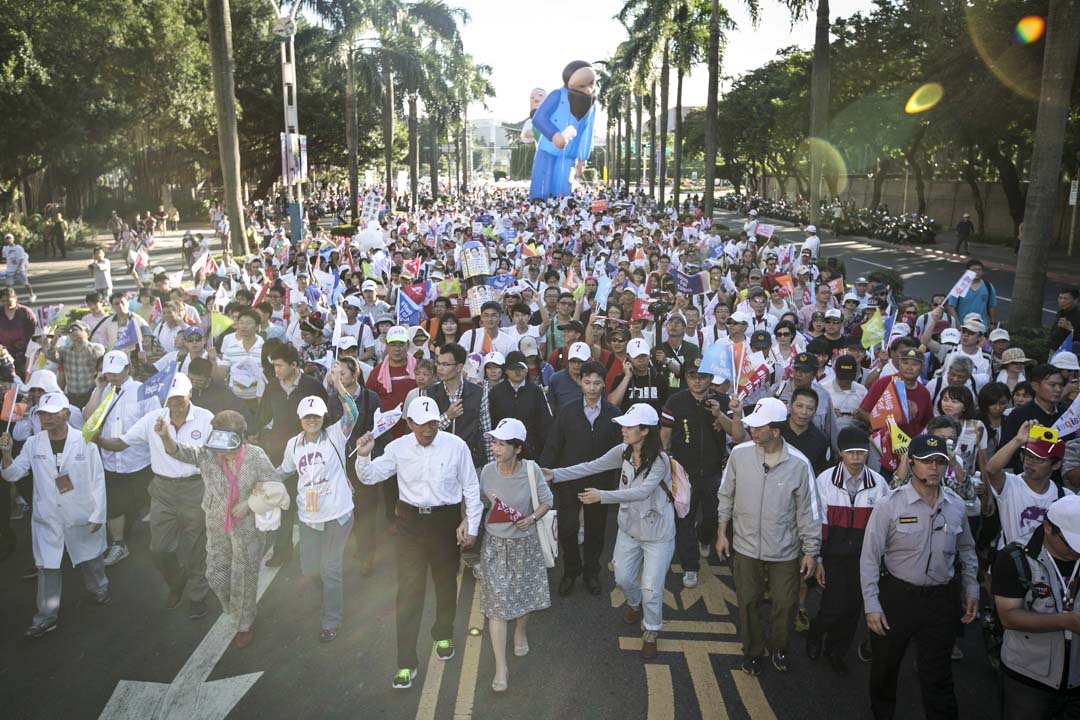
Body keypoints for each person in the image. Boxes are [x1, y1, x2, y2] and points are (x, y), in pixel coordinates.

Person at [354, 397, 483, 690]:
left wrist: (470, 524)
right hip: (410, 524)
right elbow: (371, 476)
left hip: (445, 522)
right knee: (409, 592)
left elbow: (471, 488)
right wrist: (363, 455)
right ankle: (406, 662)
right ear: (409, 424)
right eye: (422, 425)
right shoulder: (397, 448)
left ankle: (443, 632)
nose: (428, 430)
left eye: (434, 423)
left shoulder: (456, 446)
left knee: (446, 583)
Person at [543, 403, 676, 659]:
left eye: (629, 426)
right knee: (623, 579)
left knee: (651, 588)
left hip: (657, 533)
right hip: (629, 529)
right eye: (623, 425)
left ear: (645, 431)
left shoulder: (660, 461)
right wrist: (555, 474)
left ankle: (650, 630)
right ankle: (635, 604)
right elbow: (591, 466)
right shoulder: (623, 451)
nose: (623, 430)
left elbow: (641, 492)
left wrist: (601, 496)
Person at [860, 434, 979, 720]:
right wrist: (872, 604)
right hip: (897, 597)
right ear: (910, 463)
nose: (934, 468)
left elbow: (967, 550)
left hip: (940, 599)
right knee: (885, 668)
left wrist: (972, 587)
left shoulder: (956, 506)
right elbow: (869, 558)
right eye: (926, 461)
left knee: (938, 674)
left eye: (940, 462)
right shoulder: (889, 505)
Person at [97, 373, 215, 619]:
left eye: (180, 397)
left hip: (195, 488)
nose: (175, 403)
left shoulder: (206, 419)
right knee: (159, 549)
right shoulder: (154, 418)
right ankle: (176, 579)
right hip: (163, 490)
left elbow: (214, 456)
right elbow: (122, 442)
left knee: (196, 548)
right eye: (170, 398)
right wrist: (97, 439)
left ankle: (197, 595)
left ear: (190, 394)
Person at [716, 397, 820, 676]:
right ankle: (752, 651)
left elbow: (808, 511)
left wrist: (811, 551)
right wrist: (721, 532)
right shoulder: (739, 454)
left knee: (785, 604)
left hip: (784, 550)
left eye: (758, 427)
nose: (752, 431)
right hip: (745, 546)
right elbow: (726, 493)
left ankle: (779, 647)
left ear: (775, 431)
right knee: (748, 601)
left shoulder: (799, 464)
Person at [156, 409, 277, 648]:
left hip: (248, 529)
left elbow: (274, 487)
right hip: (216, 525)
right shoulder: (209, 454)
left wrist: (250, 504)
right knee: (216, 577)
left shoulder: (256, 456)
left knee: (244, 577)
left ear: (242, 436)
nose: (226, 452)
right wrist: (165, 436)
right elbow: (181, 451)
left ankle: (244, 623)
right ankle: (238, 607)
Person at [1, 391, 109, 637]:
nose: (46, 419)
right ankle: (45, 617)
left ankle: (100, 588)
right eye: (42, 414)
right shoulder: (33, 443)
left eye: (51, 414)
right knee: (48, 567)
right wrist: (6, 455)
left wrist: (98, 515)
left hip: (80, 514)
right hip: (47, 518)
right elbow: (13, 474)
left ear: (66, 414)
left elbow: (98, 480)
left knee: (91, 559)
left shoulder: (84, 441)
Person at [278, 378, 358, 643]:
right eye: (307, 416)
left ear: (324, 417)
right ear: (300, 418)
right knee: (309, 569)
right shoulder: (293, 445)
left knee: (330, 567)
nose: (312, 420)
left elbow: (353, 413)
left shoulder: (336, 434)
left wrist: (338, 385)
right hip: (309, 517)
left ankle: (331, 619)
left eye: (317, 416)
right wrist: (260, 481)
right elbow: (285, 471)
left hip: (338, 514)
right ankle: (328, 593)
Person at [806, 427, 890, 675]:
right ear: (840, 452)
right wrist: (818, 558)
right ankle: (816, 633)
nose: (856, 457)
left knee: (853, 609)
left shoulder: (878, 483)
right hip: (833, 555)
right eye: (851, 452)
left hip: (865, 558)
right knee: (833, 606)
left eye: (861, 452)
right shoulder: (825, 481)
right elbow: (818, 521)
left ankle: (836, 651)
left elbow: (884, 525)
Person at [477, 418, 553, 692]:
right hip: (495, 546)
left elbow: (547, 501)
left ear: (517, 448)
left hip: (525, 544)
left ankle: (520, 632)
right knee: (497, 606)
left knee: (524, 595)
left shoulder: (531, 471)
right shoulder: (486, 471)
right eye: (494, 442)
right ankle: (501, 667)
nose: (496, 448)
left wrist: (531, 518)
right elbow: (480, 503)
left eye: (502, 444)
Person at [539, 360, 622, 596]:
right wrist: (544, 471)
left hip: (600, 483)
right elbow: (554, 444)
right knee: (567, 529)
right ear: (580, 383)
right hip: (568, 481)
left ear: (604, 384)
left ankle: (591, 573)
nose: (592, 387)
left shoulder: (614, 415)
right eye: (587, 382)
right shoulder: (567, 411)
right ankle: (571, 570)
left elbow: (621, 452)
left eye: (597, 383)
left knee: (596, 531)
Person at [993, 495, 1080, 716]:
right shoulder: (1013, 558)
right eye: (1072, 543)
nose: (1077, 551)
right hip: (1028, 679)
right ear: (1048, 527)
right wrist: (1067, 621)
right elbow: (1009, 617)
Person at [661, 360, 744, 588]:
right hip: (682, 472)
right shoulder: (675, 401)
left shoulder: (723, 400)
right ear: (685, 377)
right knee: (684, 520)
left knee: (712, 516)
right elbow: (665, 435)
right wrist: (661, 462)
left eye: (703, 376)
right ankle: (690, 566)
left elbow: (737, 436)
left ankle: (704, 537)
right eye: (692, 375)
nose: (697, 380)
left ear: (710, 378)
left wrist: (720, 415)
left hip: (714, 471)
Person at [84, 351, 160, 567]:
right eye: (108, 373)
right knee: (114, 505)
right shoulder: (103, 390)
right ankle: (118, 544)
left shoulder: (143, 392)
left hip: (139, 460)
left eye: (117, 372)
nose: (113, 377)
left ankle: (157, 538)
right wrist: (98, 388)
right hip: (110, 460)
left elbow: (155, 423)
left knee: (146, 502)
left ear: (128, 369)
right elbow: (88, 418)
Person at [986, 420, 1068, 547]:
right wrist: (1018, 440)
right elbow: (991, 470)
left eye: (1039, 459)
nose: (1030, 462)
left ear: (1057, 464)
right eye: (1027, 455)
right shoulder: (1010, 484)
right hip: (1010, 563)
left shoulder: (1066, 497)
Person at [609, 337, 668, 412]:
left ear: (649, 355)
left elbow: (665, 407)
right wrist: (627, 377)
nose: (641, 360)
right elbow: (612, 404)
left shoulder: (658, 378)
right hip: (629, 423)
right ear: (628, 357)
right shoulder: (621, 378)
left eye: (644, 355)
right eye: (636, 356)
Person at [3, 232, 36, 301]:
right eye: (7, 239)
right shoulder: (5, 249)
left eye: (10, 238)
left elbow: (21, 258)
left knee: (25, 283)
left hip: (20, 269)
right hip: (9, 270)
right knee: (8, 286)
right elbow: (5, 257)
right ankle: (10, 298)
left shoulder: (19, 248)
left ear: (13, 239)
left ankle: (32, 295)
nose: (8, 240)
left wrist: (18, 268)